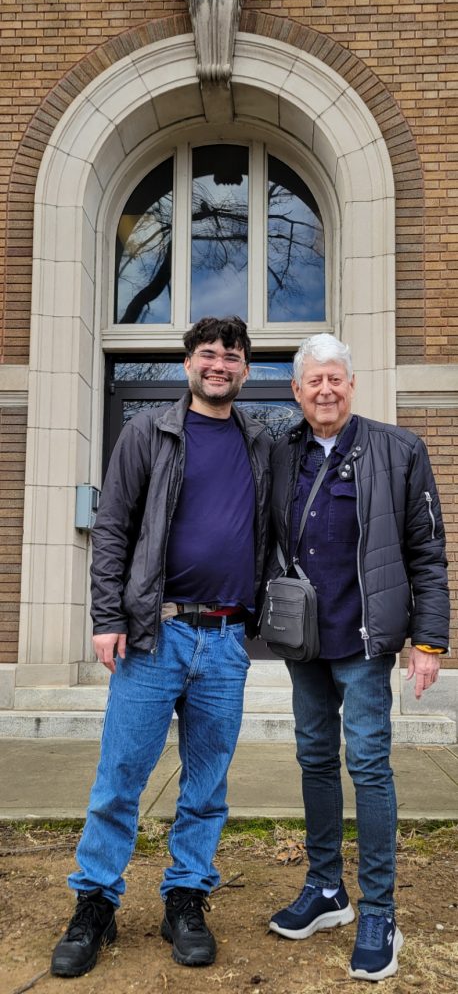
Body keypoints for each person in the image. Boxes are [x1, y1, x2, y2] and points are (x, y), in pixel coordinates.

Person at [51, 316, 271, 977]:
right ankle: (95, 902)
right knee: (120, 778)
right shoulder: (148, 432)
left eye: (231, 357)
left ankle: (186, 898)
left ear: (245, 370)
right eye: (208, 354)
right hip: (156, 635)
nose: (219, 365)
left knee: (206, 786)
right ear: (187, 364)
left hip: (228, 640)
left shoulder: (259, 440)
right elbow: (113, 526)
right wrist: (106, 616)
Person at [267, 334, 449, 982]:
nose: (324, 390)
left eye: (335, 379)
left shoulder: (399, 450)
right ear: (296, 390)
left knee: (368, 766)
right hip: (305, 645)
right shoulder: (280, 452)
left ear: (351, 384)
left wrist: (428, 643)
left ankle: (379, 911)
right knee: (314, 758)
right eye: (313, 381)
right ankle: (325, 888)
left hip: (367, 645)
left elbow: (428, 554)